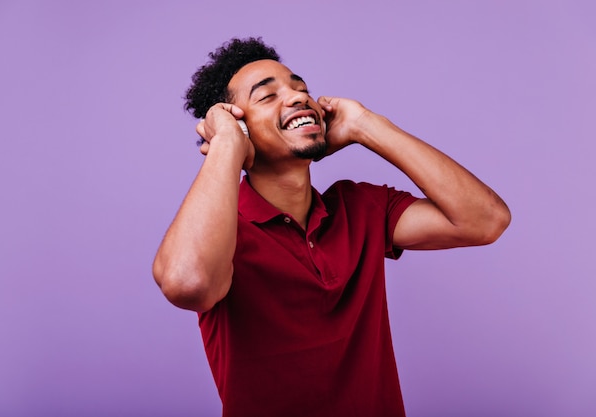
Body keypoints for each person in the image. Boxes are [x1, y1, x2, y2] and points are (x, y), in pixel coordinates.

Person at [152, 37, 511, 417]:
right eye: (267, 96)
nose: (297, 98)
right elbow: (188, 284)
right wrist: (226, 144)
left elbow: (485, 220)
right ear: (238, 125)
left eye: (301, 88)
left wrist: (366, 126)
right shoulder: (219, 232)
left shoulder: (361, 208)